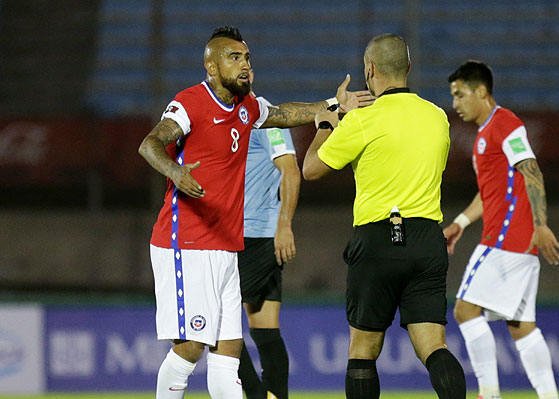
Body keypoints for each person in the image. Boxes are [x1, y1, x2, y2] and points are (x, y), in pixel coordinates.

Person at [138, 25, 374, 399]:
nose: (245, 65)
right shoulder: (190, 103)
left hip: (225, 248)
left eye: (247, 57)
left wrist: (333, 105)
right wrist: (175, 171)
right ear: (211, 67)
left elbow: (286, 113)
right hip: (185, 244)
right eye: (234, 58)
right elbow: (150, 144)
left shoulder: (247, 108)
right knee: (189, 350)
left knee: (228, 354)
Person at [302, 33, 467, 399]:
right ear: (408, 67)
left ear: (369, 69)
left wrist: (328, 123)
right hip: (426, 239)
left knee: (363, 352)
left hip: (377, 239)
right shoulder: (438, 118)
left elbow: (311, 169)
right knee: (433, 347)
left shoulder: (362, 120)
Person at [443, 60, 559, 399]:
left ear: (481, 92)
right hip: (517, 245)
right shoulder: (486, 134)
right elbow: (490, 193)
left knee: (465, 310)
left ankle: (490, 394)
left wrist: (541, 224)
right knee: (522, 328)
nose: (455, 104)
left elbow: (532, 170)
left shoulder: (505, 124)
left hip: (503, 240)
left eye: (460, 94)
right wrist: (460, 223)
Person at [237, 69, 300, 399]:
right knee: (264, 328)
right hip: (243, 237)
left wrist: (284, 226)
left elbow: (290, 169)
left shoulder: (263, 117)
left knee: (219, 326)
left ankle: (258, 396)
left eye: (247, 65)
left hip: (257, 238)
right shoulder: (231, 121)